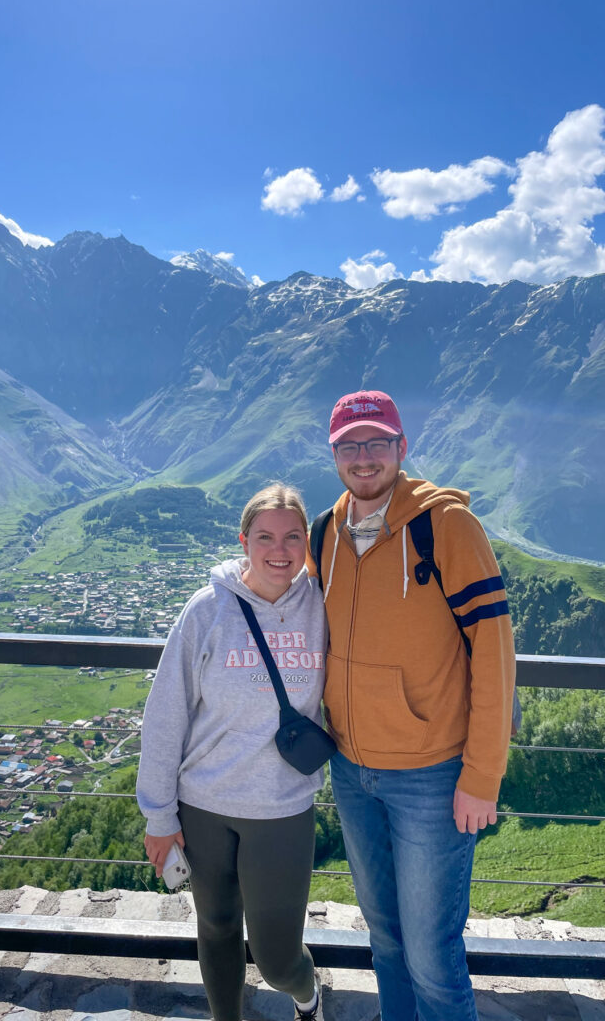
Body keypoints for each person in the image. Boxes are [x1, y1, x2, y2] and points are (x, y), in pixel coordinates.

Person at [314, 390, 515, 1021]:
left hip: (433, 775)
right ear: (334, 455)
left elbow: (495, 650)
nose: (364, 457)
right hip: (350, 769)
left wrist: (481, 776)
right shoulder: (325, 531)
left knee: (432, 954)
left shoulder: (446, 526)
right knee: (387, 941)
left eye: (377, 442)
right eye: (350, 445)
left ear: (403, 448)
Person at [137, 483, 328, 1021]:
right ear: (244, 540)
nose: (279, 549)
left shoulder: (322, 604)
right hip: (203, 804)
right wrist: (159, 815)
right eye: (265, 536)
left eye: (293, 537)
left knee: (276, 958)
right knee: (216, 927)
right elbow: (166, 713)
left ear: (307, 545)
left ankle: (306, 993)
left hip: (281, 807)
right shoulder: (208, 610)